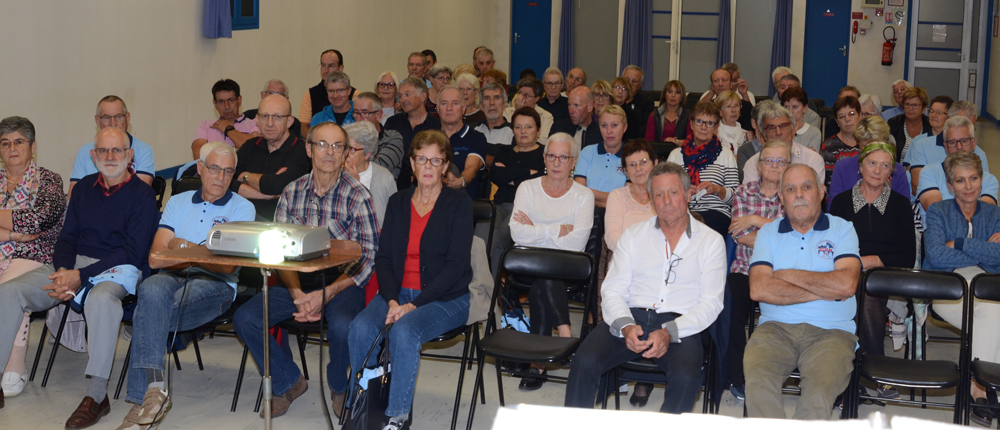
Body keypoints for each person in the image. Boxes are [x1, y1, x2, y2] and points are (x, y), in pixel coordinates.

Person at [0, 127, 157, 429]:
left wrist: (80, 276)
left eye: (117, 150)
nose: (110, 157)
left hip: (118, 269)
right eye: (103, 151)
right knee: (9, 291)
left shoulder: (142, 195)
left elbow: (133, 251)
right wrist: (62, 271)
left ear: (130, 155)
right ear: (92, 155)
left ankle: (97, 396)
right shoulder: (83, 188)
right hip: (73, 266)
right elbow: (66, 237)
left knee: (101, 300)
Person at [234, 122, 379, 419]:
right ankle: (290, 382)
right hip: (295, 282)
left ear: (345, 154)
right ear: (309, 149)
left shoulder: (359, 196)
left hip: (341, 284)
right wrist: (298, 293)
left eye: (338, 146)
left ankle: (339, 387)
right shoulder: (292, 191)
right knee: (246, 318)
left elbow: (368, 256)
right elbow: (280, 252)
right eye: (322, 144)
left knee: (342, 327)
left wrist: (326, 293)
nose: (330, 152)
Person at [564, 161, 725, 413]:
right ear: (652, 199)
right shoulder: (633, 235)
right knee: (583, 361)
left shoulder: (711, 241)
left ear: (686, 194)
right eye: (658, 194)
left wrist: (670, 331)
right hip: (631, 316)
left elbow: (711, 303)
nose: (666, 200)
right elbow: (613, 289)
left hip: (680, 324)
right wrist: (625, 325)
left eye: (673, 192)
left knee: (686, 379)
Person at [117, 142, 255, 428]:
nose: (221, 176)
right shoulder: (178, 202)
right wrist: (203, 253)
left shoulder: (243, 208)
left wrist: (182, 248)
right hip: (172, 276)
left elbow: (227, 266)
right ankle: (154, 395)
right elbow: (156, 259)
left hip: (216, 285)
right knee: (151, 289)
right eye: (215, 168)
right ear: (200, 168)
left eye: (228, 171)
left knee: (149, 310)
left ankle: (144, 402)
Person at [347, 130, 473, 430]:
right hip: (398, 292)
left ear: (445, 166)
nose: (428, 166)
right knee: (360, 327)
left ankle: (396, 415)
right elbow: (385, 258)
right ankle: (362, 405)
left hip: (447, 297)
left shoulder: (459, 204)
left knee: (404, 332)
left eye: (435, 160)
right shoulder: (398, 202)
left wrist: (412, 305)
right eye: (421, 159)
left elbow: (456, 266)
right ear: (412, 164)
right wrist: (392, 300)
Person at [744, 164, 861, 420]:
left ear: (821, 191)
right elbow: (759, 288)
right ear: (781, 198)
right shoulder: (769, 233)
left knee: (818, 393)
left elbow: (846, 285)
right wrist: (826, 288)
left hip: (833, 332)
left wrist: (786, 274)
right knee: (758, 384)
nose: (799, 194)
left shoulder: (842, 228)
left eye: (806, 187)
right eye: (790, 189)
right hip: (775, 328)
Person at [828, 141, 915, 401]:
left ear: (892, 173)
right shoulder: (841, 203)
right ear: (860, 167)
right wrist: (856, 261)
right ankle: (876, 372)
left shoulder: (900, 205)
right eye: (872, 163)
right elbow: (831, 248)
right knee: (858, 290)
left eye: (885, 165)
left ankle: (852, 375)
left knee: (865, 292)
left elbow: (908, 257)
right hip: (848, 272)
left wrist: (876, 258)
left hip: (887, 276)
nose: (878, 170)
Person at [510, 132, 594, 390]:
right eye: (552, 156)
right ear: (544, 158)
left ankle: (538, 364)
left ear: (574, 162)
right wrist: (560, 230)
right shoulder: (528, 187)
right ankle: (566, 336)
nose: (557, 162)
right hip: (527, 266)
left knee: (543, 278)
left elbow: (577, 243)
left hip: (567, 270)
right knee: (543, 272)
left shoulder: (584, 196)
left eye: (564, 157)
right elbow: (517, 233)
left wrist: (536, 229)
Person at [922, 150, 1000, 426]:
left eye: (974, 178)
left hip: (987, 283)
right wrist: (986, 250)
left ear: (982, 179)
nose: (968, 187)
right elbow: (935, 255)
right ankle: (982, 389)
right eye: (960, 180)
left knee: (991, 313)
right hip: (949, 288)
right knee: (994, 315)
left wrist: (961, 243)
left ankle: (979, 391)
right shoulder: (938, 211)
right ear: (950, 185)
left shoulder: (994, 213)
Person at [0, 117, 67, 401]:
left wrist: (16, 230)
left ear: (32, 146)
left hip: (35, 254)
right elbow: (26, 224)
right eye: (4, 143)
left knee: (9, 290)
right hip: (16, 245)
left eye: (18, 142)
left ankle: (14, 365)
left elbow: (40, 219)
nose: (11, 148)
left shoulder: (48, 180)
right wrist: (13, 235)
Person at [726, 140, 791, 400]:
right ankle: (737, 377)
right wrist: (773, 232)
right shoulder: (743, 192)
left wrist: (754, 220)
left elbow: (794, 234)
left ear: (789, 165)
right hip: (744, 269)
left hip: (781, 272)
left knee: (786, 318)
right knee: (729, 309)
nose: (774, 166)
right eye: (769, 160)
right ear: (759, 164)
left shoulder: (794, 194)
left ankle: (773, 376)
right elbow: (740, 236)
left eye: (781, 161)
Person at [231, 95, 312, 220]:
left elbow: (277, 185)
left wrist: (244, 176)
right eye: (264, 116)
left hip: (279, 223)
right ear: (257, 120)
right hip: (241, 218)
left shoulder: (302, 150)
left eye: (277, 117)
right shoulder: (250, 146)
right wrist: (266, 195)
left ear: (289, 121)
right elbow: (228, 182)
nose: (269, 123)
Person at [666, 101, 739, 238]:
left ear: (716, 128)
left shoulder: (725, 154)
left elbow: (735, 197)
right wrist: (684, 191)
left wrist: (718, 189)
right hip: (682, 211)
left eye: (709, 123)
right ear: (692, 124)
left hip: (715, 213)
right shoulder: (676, 155)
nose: (704, 127)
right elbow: (665, 191)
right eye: (699, 121)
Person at [489, 107, 546, 270]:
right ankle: (485, 284)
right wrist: (527, 173)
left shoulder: (545, 154)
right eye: (518, 127)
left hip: (526, 208)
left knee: (502, 234)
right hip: (499, 204)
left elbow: (542, 180)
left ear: (538, 130)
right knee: (483, 236)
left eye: (529, 127)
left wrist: (510, 176)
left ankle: (495, 290)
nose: (523, 131)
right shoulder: (505, 151)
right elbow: (496, 175)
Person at [69, 96, 155, 196]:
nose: (113, 123)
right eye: (106, 118)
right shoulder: (84, 152)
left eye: (118, 117)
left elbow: (140, 194)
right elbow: (73, 195)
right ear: (97, 121)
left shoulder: (144, 151)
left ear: (127, 118)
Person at [917, 116, 999, 212]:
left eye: (964, 141)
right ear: (945, 146)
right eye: (952, 142)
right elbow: (938, 213)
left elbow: (985, 215)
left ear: (974, 143)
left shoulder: (988, 180)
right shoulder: (930, 173)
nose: (959, 147)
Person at [906, 99, 987, 196]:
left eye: (970, 126)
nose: (964, 129)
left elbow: (984, 190)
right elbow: (917, 187)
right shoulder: (921, 145)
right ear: (947, 120)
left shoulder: (980, 154)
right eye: (959, 122)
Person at [827, 116, 910, 206]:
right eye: (865, 147)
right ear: (857, 142)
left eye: (876, 148)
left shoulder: (897, 170)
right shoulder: (842, 167)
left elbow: (904, 209)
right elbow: (834, 208)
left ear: (886, 143)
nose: (871, 154)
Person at [740, 101, 825, 185]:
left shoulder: (812, 160)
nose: (778, 132)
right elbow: (751, 197)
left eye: (784, 126)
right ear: (764, 134)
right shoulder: (753, 164)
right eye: (771, 128)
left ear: (794, 128)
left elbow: (813, 196)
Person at [384, 76, 443, 191]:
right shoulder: (393, 122)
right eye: (400, 96)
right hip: (395, 182)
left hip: (426, 182)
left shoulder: (436, 125)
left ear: (423, 97)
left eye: (407, 94)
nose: (402, 100)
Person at [575, 105, 630, 208]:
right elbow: (578, 192)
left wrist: (589, 193)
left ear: (624, 127)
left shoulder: (631, 157)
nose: (609, 131)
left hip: (620, 215)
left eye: (614, 125)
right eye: (604, 125)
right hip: (587, 212)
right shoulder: (587, 152)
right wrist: (614, 199)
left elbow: (627, 198)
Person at [344, 121, 398, 227]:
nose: (345, 153)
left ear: (367, 154)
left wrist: (357, 186)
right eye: (342, 147)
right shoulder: (333, 173)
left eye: (351, 149)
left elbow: (393, 219)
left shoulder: (384, 178)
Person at [191, 79, 261, 160]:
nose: (227, 107)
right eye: (221, 102)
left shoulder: (255, 123)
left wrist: (228, 129)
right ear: (215, 104)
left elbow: (255, 151)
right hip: (213, 172)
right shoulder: (205, 126)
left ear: (239, 100)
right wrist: (236, 149)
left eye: (231, 100)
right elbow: (198, 156)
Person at [437, 86, 487, 197]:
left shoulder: (476, 137)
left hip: (462, 202)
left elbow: (472, 168)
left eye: (455, 103)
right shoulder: (429, 137)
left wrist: (460, 181)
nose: (449, 108)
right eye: (444, 103)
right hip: (431, 199)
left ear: (463, 108)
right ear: (438, 108)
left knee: (452, 169)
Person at [299, 49, 356, 135]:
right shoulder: (311, 96)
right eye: (323, 65)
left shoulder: (359, 111)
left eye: (331, 66)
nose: (326, 70)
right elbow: (304, 126)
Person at [351, 92, 405, 180]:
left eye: (365, 113)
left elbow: (378, 168)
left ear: (378, 115)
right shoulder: (350, 139)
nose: (359, 118)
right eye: (356, 112)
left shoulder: (393, 138)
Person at [820, 96, 862, 191]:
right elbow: (829, 182)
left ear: (860, 115)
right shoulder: (829, 146)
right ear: (837, 122)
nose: (847, 119)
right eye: (841, 116)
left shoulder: (869, 142)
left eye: (851, 114)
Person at [887, 86, 931, 162]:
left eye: (915, 105)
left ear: (924, 108)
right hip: (898, 170)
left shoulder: (930, 125)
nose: (910, 108)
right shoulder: (893, 123)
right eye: (907, 104)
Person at [474, 82, 514, 164]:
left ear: (505, 104)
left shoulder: (514, 132)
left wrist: (481, 158)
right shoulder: (473, 130)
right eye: (487, 98)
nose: (492, 103)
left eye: (497, 98)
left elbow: (512, 163)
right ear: (481, 105)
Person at [645, 80, 689, 144]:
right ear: (665, 95)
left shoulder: (688, 116)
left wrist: (676, 142)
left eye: (677, 92)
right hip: (658, 152)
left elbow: (692, 142)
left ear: (682, 96)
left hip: (680, 152)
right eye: (670, 92)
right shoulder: (654, 115)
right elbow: (648, 142)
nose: (673, 95)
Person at [780, 87, 822, 152]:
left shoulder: (814, 133)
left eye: (795, 107)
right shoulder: (778, 130)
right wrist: (805, 152)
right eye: (787, 107)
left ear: (805, 108)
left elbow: (811, 160)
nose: (790, 111)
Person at [621, 65, 656, 138]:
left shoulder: (646, 103)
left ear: (640, 84)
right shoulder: (613, 99)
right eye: (627, 79)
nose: (630, 84)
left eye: (634, 81)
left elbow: (645, 128)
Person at [611, 77, 642, 141]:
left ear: (628, 93)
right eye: (617, 87)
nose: (620, 91)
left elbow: (632, 139)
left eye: (624, 89)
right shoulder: (605, 110)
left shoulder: (631, 115)